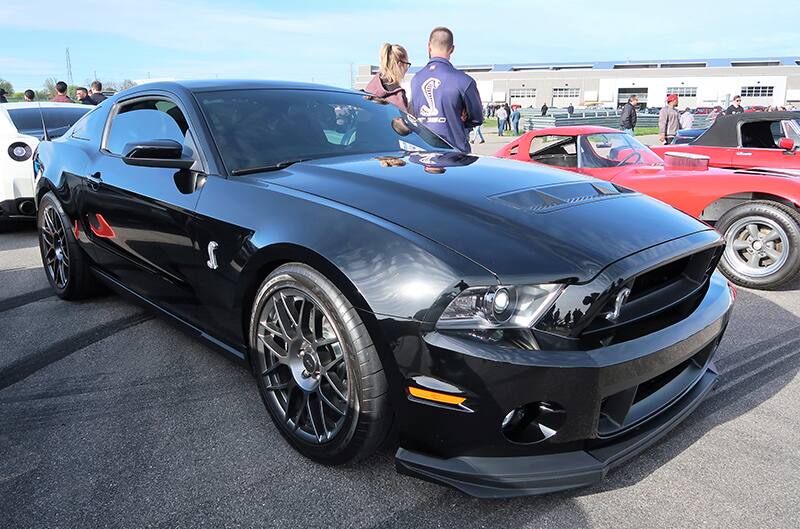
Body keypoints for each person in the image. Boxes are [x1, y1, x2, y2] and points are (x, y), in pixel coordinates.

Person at [410, 26, 483, 153]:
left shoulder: (415, 79)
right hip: (455, 154)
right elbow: (477, 118)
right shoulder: (464, 81)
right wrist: (456, 119)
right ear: (452, 49)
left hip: (422, 153)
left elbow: (413, 115)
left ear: (429, 46)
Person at [365, 43, 410, 113]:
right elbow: (402, 122)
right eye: (407, 64)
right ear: (399, 65)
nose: (407, 69)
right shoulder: (398, 96)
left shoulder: (370, 88)